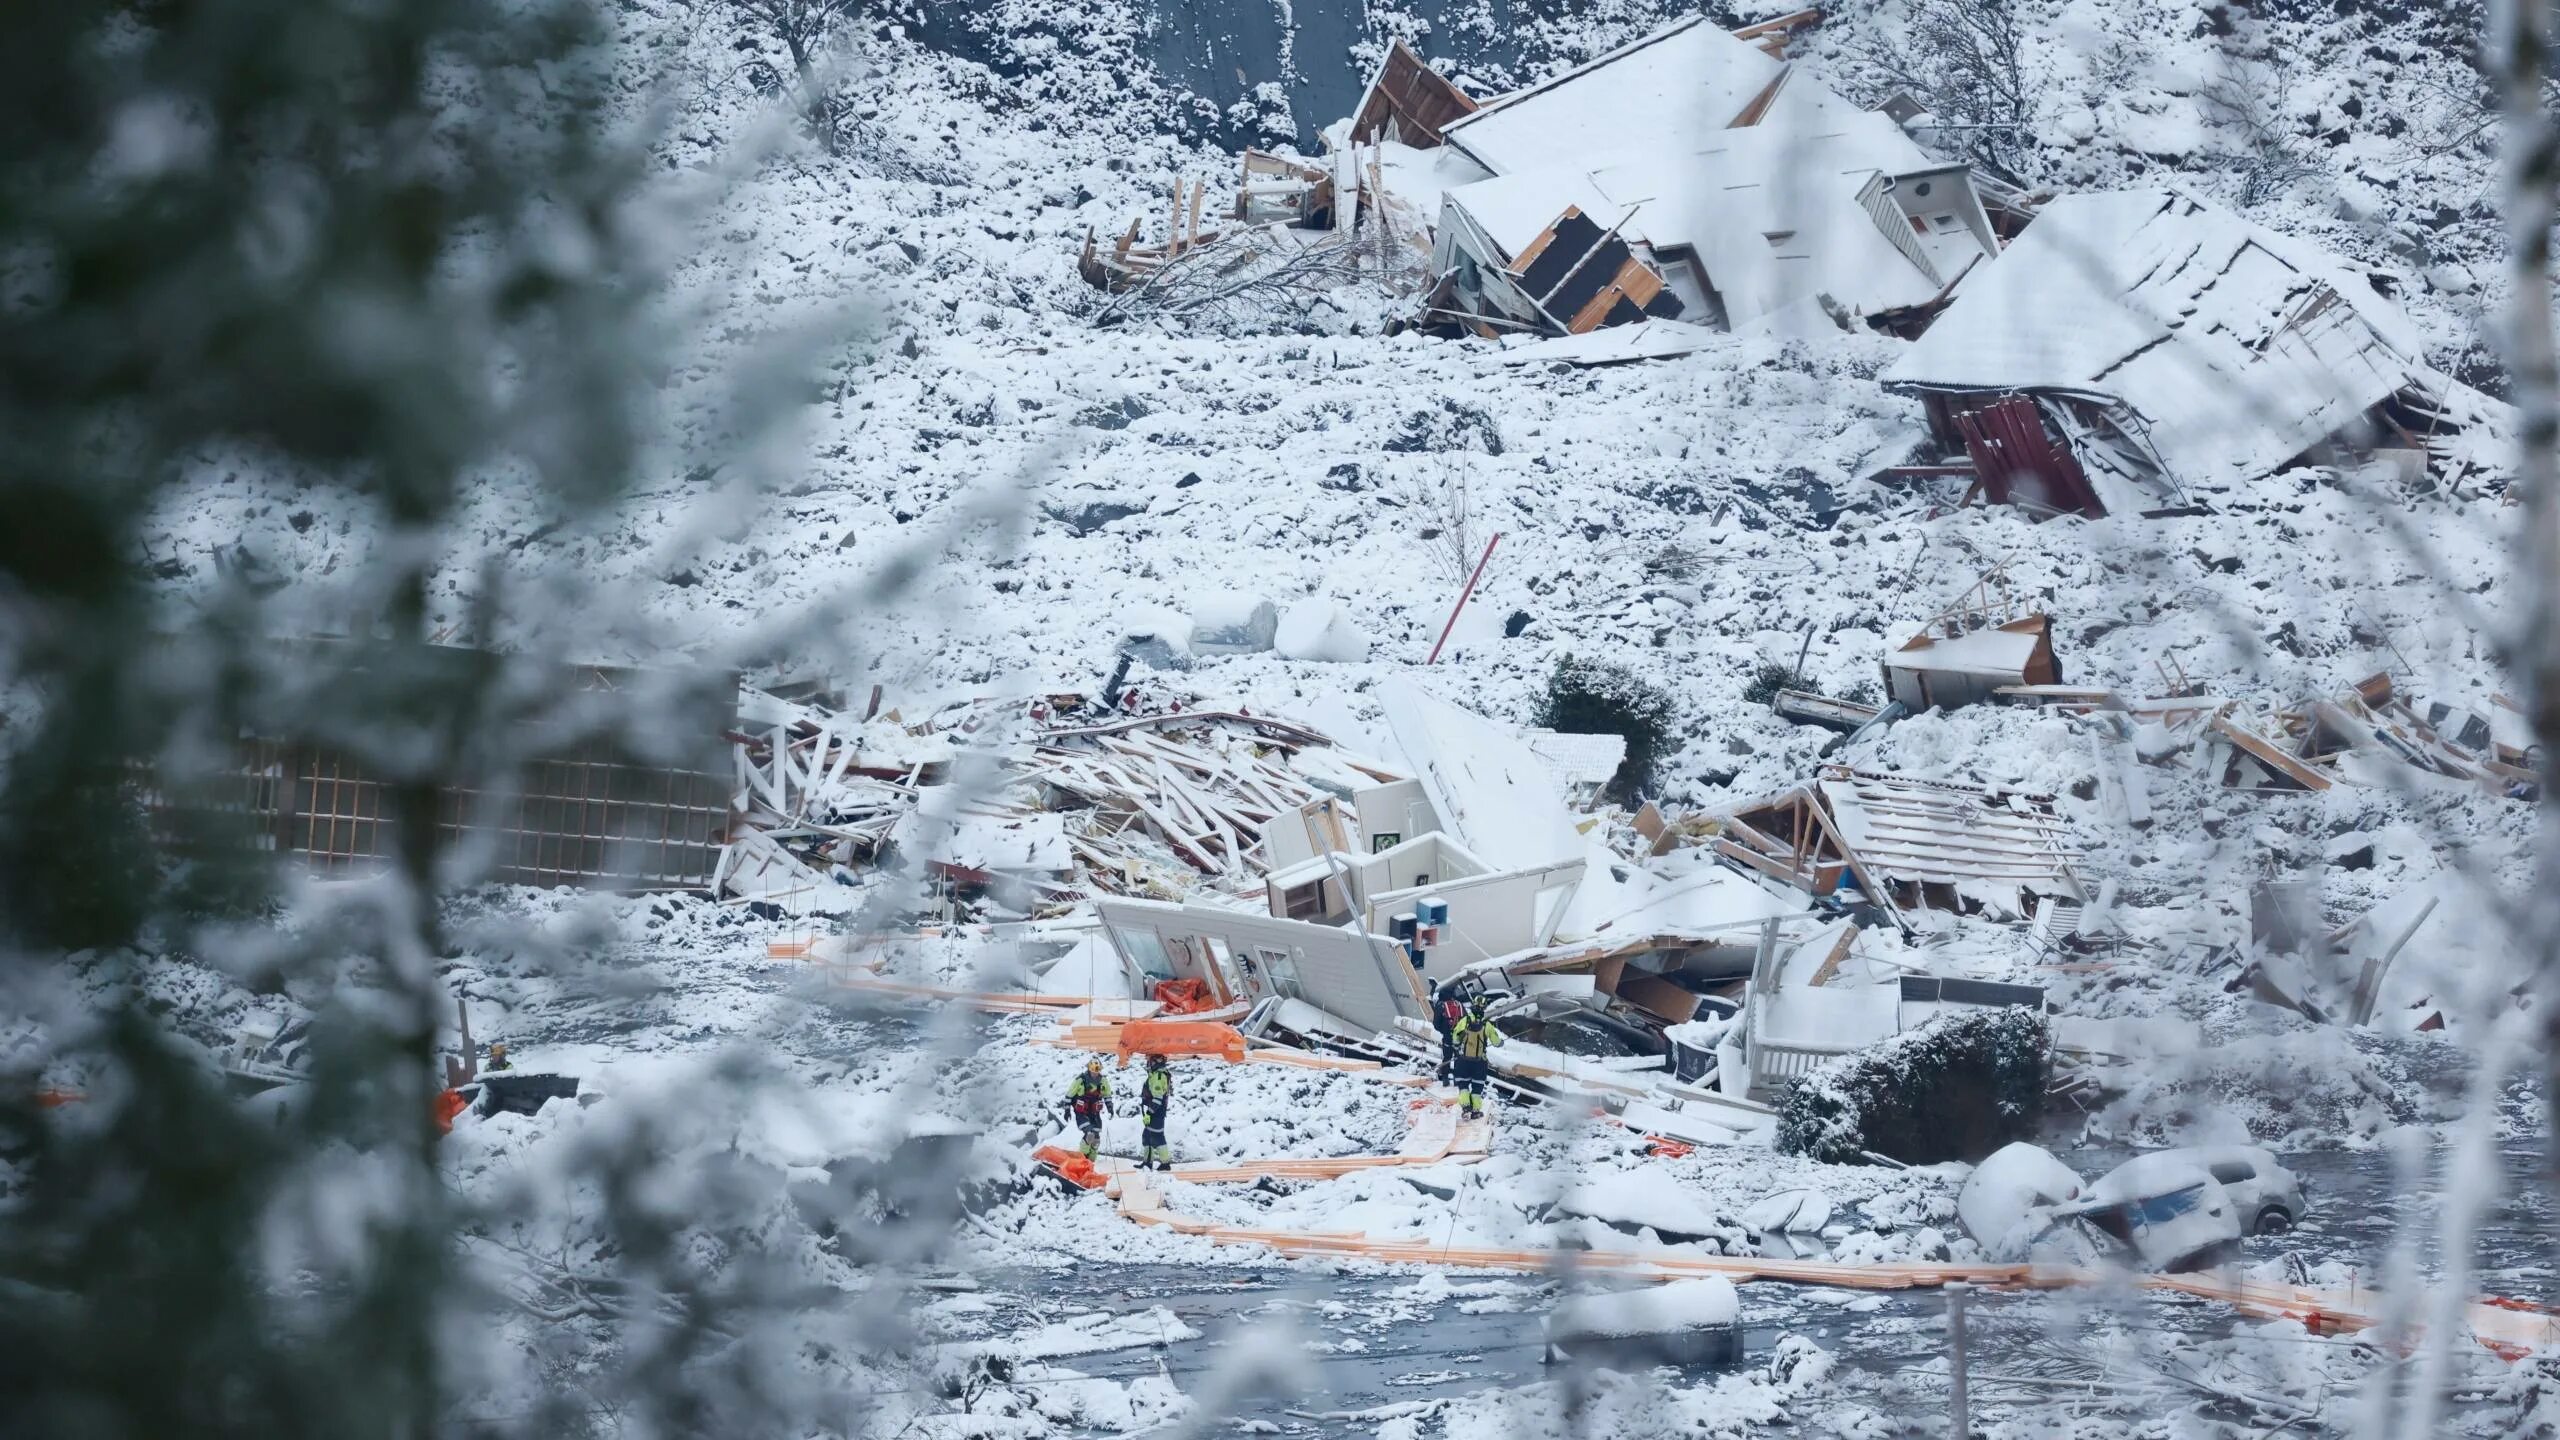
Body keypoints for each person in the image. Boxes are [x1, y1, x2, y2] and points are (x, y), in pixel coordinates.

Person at [1450, 998, 1503, 1119]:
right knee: (1477, 1088)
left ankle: (1465, 1108)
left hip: (1463, 1061)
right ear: (1484, 1008)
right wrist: (1501, 1043)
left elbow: (1455, 1039)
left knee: (1463, 1086)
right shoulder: (1486, 1025)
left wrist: (1458, 1046)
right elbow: (1496, 1042)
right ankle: (1475, 1111)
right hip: (1479, 1063)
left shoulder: (1464, 1021)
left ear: (1473, 1005)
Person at [1064, 1058, 1112, 1159]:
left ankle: (1091, 1160)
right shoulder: (1081, 1080)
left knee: (1096, 1138)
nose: (1095, 1073)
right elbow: (1069, 1095)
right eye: (1094, 1070)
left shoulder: (1103, 1081)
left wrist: (1110, 1108)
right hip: (1082, 1113)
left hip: (1094, 1113)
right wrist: (1067, 1110)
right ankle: (1082, 1158)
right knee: (1089, 1134)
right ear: (1089, 1069)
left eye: (1097, 1070)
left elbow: (1107, 1095)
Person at [1139, 1054, 1173, 1172]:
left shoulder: (1158, 1076)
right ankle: (1147, 1163)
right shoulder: (1156, 1075)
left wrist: (1149, 1112)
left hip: (1156, 1113)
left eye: (1151, 1062)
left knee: (1157, 1138)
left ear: (1156, 1062)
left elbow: (1157, 1099)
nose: (1149, 1064)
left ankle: (1165, 1163)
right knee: (1147, 1137)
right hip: (1155, 1112)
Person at [1430, 986, 1465, 1085]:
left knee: (1447, 1057)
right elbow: (1466, 1020)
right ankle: (1458, 1079)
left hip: (1447, 1036)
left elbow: (1436, 1024)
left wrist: (1444, 1031)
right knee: (1459, 1057)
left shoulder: (1440, 1006)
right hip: (1460, 1037)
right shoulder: (1459, 1005)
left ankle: (1445, 1078)